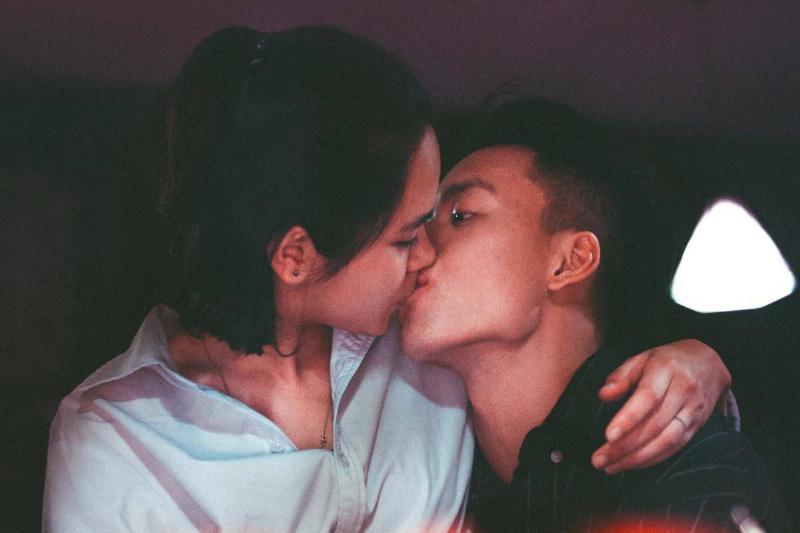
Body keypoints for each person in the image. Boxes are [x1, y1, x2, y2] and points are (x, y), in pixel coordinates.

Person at [44, 27, 731, 532]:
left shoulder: (429, 348)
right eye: (406, 236)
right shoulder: (115, 438)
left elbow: (561, 387)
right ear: (296, 257)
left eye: (448, 218)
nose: (426, 254)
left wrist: (702, 362)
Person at [399, 98, 789, 531]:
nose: (415, 248)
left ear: (571, 262)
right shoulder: (431, 467)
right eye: (416, 224)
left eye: (460, 216)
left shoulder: (678, 461)